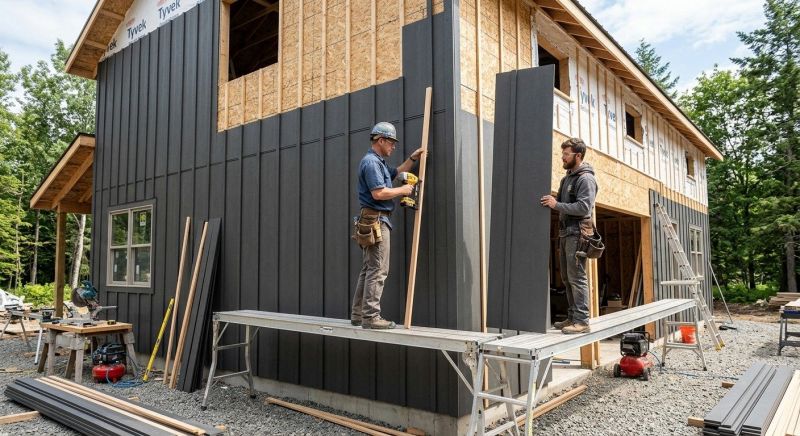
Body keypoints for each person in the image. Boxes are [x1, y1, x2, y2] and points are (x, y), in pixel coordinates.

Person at [351, 122, 425, 329]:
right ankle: (371, 317)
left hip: (371, 219)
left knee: (368, 269)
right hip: (376, 220)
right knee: (378, 270)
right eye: (391, 142)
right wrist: (402, 191)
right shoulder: (372, 163)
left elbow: (397, 172)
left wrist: (412, 159)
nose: (393, 146)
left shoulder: (378, 163)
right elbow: (379, 193)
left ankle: (358, 315)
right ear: (381, 140)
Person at [540, 138, 598, 334]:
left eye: (566, 154)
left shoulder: (585, 179)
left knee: (577, 277)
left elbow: (583, 207)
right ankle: (573, 316)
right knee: (566, 277)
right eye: (562, 153)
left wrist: (556, 205)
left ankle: (582, 321)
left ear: (578, 156)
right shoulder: (566, 179)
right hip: (566, 233)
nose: (562, 157)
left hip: (578, 233)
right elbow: (564, 203)